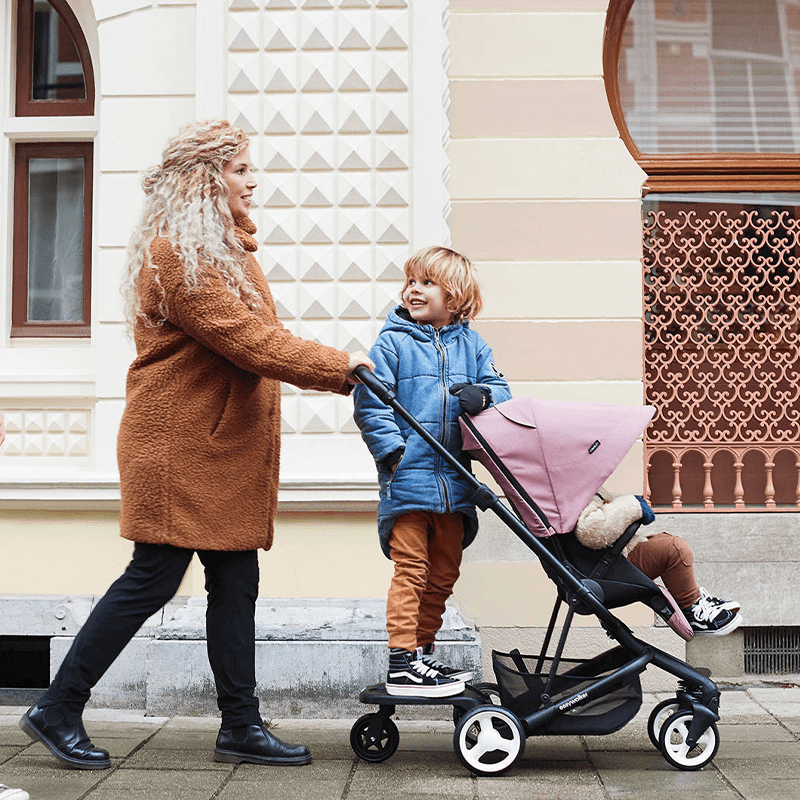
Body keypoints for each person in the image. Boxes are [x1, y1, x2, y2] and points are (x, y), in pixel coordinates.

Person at [18, 119, 374, 770]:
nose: (254, 180)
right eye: (241, 169)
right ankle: (57, 708)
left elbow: (256, 339)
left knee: (235, 581)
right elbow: (251, 343)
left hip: (212, 453)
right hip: (177, 451)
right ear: (207, 180)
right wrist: (340, 368)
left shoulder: (221, 253)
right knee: (150, 580)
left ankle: (240, 725)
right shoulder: (181, 257)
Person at [354, 246, 511, 697]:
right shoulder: (393, 343)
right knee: (412, 570)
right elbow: (370, 401)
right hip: (409, 477)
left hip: (457, 483)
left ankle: (421, 654)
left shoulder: (474, 346)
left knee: (443, 574)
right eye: (411, 282)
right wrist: (392, 453)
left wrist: (483, 397)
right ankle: (402, 657)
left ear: (455, 296)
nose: (413, 290)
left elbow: (502, 393)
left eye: (426, 283)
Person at [575, 487, 742, 636]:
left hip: (604, 562)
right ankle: (692, 610)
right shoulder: (573, 489)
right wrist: (634, 506)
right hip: (605, 569)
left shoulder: (572, 488)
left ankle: (697, 601)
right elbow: (592, 531)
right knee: (674, 549)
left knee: (662, 539)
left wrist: (621, 502)